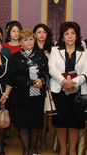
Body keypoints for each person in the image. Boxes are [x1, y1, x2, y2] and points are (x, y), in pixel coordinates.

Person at [49, 21, 87, 155]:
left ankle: (72, 151)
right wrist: (64, 81)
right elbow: (52, 69)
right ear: (62, 36)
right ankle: (63, 151)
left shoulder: (84, 51)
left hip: (77, 91)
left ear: (77, 35)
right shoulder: (55, 50)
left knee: (75, 123)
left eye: (73, 33)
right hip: (59, 91)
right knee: (60, 122)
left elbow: (86, 72)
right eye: (67, 33)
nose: (70, 36)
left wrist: (73, 83)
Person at [9, 29, 48, 155]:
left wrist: (42, 80)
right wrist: (30, 83)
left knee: (36, 123)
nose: (29, 42)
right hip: (21, 95)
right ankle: (26, 149)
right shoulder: (15, 57)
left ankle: (33, 148)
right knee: (23, 124)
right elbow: (13, 75)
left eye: (31, 39)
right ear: (21, 42)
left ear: (34, 40)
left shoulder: (41, 54)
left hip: (38, 96)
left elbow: (47, 72)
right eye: (25, 40)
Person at [33, 23, 53, 151]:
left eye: (44, 32)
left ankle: (43, 138)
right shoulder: (31, 48)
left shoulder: (53, 49)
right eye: (39, 32)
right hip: (34, 83)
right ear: (34, 35)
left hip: (49, 82)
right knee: (35, 111)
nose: (41, 34)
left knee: (46, 111)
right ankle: (34, 139)